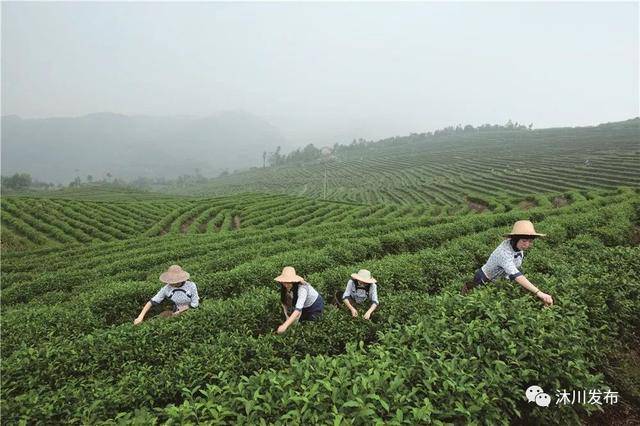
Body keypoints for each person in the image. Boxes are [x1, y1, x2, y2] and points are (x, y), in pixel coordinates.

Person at [461, 220, 554, 306]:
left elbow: (514, 269)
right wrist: (539, 293)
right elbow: (516, 274)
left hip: (498, 279)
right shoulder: (503, 253)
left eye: (530, 241)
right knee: (476, 301)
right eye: (524, 241)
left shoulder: (518, 247)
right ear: (515, 239)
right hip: (484, 278)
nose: (527, 245)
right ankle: (466, 289)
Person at [134, 265, 199, 325]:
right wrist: (140, 317)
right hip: (176, 311)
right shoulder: (166, 288)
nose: (170, 282)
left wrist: (180, 311)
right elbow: (152, 301)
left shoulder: (191, 285)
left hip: (191, 310)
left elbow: (195, 303)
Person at [275, 266, 324, 334]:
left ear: (293, 281)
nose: (286, 285)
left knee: (311, 327)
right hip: (303, 306)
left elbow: (298, 309)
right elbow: (284, 304)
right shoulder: (285, 288)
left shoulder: (302, 289)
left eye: (288, 282)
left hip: (314, 305)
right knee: (298, 322)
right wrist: (287, 318)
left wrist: (285, 325)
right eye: (284, 282)